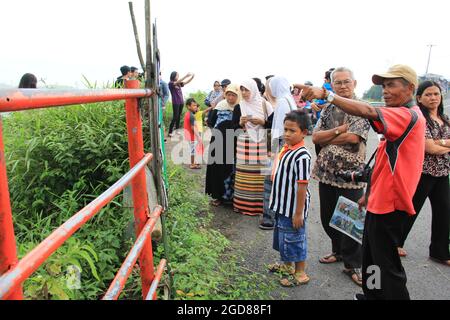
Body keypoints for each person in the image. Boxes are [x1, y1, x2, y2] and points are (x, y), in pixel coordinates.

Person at [296, 64, 426, 300]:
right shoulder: (398, 115)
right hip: (379, 198)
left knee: (387, 266)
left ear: (410, 88)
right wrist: (371, 192)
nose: (385, 91)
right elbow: (383, 164)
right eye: (383, 86)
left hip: (391, 203)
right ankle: (373, 293)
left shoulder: (407, 114)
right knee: (373, 256)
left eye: (391, 85)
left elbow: (364, 117)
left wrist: (327, 95)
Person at [312, 67, 370, 287]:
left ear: (354, 83)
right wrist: (338, 131)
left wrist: (329, 136)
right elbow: (315, 137)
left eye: (347, 82)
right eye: (338, 83)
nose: (343, 86)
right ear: (332, 85)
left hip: (351, 174)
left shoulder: (362, 108)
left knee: (352, 219)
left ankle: (353, 264)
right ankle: (338, 251)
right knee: (329, 217)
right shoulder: (328, 108)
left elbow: (354, 138)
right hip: (326, 172)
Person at [398, 80, 450, 265]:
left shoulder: (445, 119)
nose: (433, 97)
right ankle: (395, 243)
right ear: (419, 98)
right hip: (423, 172)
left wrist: (439, 143)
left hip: (443, 173)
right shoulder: (420, 119)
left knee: (444, 212)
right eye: (428, 94)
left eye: (436, 94)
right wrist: (445, 143)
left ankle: (440, 252)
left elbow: (435, 146)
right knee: (410, 209)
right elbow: (429, 148)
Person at [268, 110, 312, 287]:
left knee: (295, 237)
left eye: (292, 131)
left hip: (293, 208)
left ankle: (300, 271)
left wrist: (298, 213)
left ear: (304, 133)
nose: (287, 133)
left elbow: (302, 185)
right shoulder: (286, 149)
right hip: (281, 205)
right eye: (285, 129)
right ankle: (287, 266)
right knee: (283, 237)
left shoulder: (302, 155)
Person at [232, 79, 273, 216]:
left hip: (261, 143)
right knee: (245, 176)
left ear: (253, 89)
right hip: (245, 144)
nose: (243, 93)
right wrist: (240, 123)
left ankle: (261, 207)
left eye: (246, 89)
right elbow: (233, 129)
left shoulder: (264, 104)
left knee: (261, 176)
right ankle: (242, 205)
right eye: (241, 90)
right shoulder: (240, 106)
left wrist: (263, 122)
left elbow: (274, 124)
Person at [260, 76, 296, 230]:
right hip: (289, 145)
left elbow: (278, 132)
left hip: (281, 146)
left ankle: (269, 217)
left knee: (270, 181)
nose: (269, 89)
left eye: (270, 86)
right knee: (282, 182)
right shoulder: (290, 99)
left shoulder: (282, 102)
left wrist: (272, 152)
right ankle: (280, 215)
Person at [205, 84, 241, 206]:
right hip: (218, 140)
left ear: (238, 96)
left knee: (231, 169)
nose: (230, 98)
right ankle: (217, 196)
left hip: (233, 141)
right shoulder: (220, 105)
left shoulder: (240, 107)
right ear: (225, 95)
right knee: (217, 168)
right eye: (228, 95)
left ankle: (230, 197)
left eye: (233, 95)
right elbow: (211, 121)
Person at [168, 71, 195, 137]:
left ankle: (177, 131)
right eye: (177, 75)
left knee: (178, 116)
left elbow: (186, 82)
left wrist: (192, 77)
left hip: (181, 102)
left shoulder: (179, 83)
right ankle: (170, 132)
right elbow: (176, 82)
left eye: (178, 75)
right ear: (173, 76)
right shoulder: (171, 83)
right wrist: (186, 75)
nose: (178, 76)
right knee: (175, 116)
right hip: (175, 102)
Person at [183, 98, 202, 170]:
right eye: (194, 106)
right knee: (193, 150)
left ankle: (194, 162)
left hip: (188, 135)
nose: (195, 107)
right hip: (191, 136)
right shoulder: (191, 116)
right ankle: (192, 164)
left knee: (193, 149)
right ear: (188, 106)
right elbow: (193, 127)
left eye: (196, 105)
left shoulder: (188, 114)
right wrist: (198, 137)